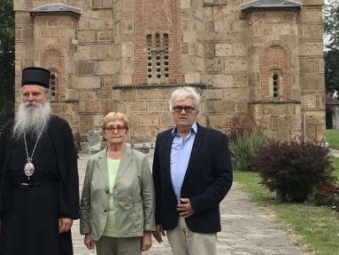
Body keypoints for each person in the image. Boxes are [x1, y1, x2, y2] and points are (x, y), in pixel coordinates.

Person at [0, 66, 79, 255]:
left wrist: (67, 212)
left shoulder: (60, 128)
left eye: (35, 94)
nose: (30, 99)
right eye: (26, 94)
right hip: (14, 205)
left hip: (49, 205)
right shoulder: (10, 129)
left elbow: (70, 172)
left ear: (46, 96)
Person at [152, 87, 232, 255]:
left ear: (196, 112)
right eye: (178, 108)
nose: (183, 112)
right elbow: (157, 181)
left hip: (201, 217)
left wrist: (196, 204)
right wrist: (157, 218)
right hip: (172, 220)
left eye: (188, 108)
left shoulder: (215, 139)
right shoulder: (163, 140)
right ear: (172, 112)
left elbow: (224, 179)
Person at [80, 112, 154, 254]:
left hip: (131, 231)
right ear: (104, 132)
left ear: (126, 131)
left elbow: (148, 198)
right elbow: (86, 199)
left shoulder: (140, 160)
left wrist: (148, 232)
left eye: (120, 127)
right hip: (102, 232)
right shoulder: (94, 161)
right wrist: (87, 231)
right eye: (110, 128)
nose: (115, 131)